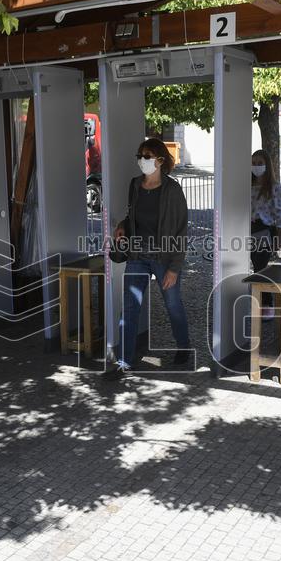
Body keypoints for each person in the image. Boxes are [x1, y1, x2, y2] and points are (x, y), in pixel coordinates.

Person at [105, 138, 190, 380]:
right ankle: (124, 362)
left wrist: (174, 268)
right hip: (137, 256)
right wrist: (123, 225)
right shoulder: (135, 185)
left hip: (164, 258)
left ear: (160, 160)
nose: (142, 160)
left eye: (147, 156)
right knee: (129, 308)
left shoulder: (172, 190)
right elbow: (132, 215)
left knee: (173, 305)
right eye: (140, 156)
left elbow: (181, 230)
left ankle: (183, 345)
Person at [249, 149, 281, 317]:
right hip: (249, 230)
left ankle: (267, 303)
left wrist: (278, 237)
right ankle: (259, 301)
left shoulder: (274, 187)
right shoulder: (248, 185)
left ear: (267, 165)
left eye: (260, 163)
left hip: (265, 229)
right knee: (256, 266)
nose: (256, 166)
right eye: (253, 163)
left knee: (261, 268)